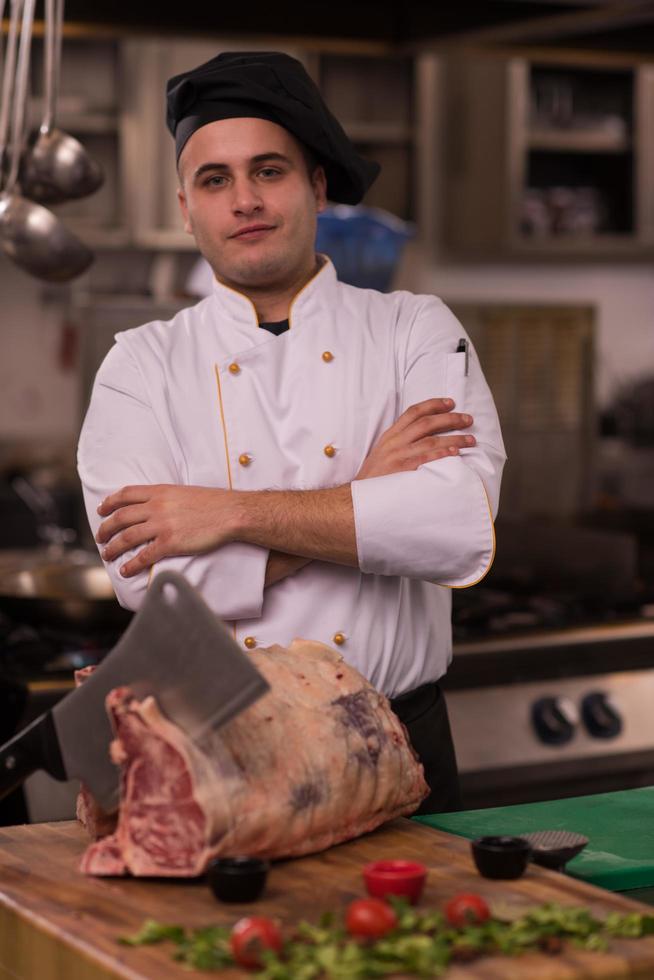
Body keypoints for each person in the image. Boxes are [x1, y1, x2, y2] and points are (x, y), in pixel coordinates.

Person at [77, 51, 506, 815]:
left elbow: (456, 530)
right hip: (226, 749)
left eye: (268, 171)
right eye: (216, 180)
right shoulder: (138, 365)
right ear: (187, 207)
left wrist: (228, 513)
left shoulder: (414, 328)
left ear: (315, 187)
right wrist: (371, 497)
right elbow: (150, 584)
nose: (244, 199)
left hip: (402, 737)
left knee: (428, 935)